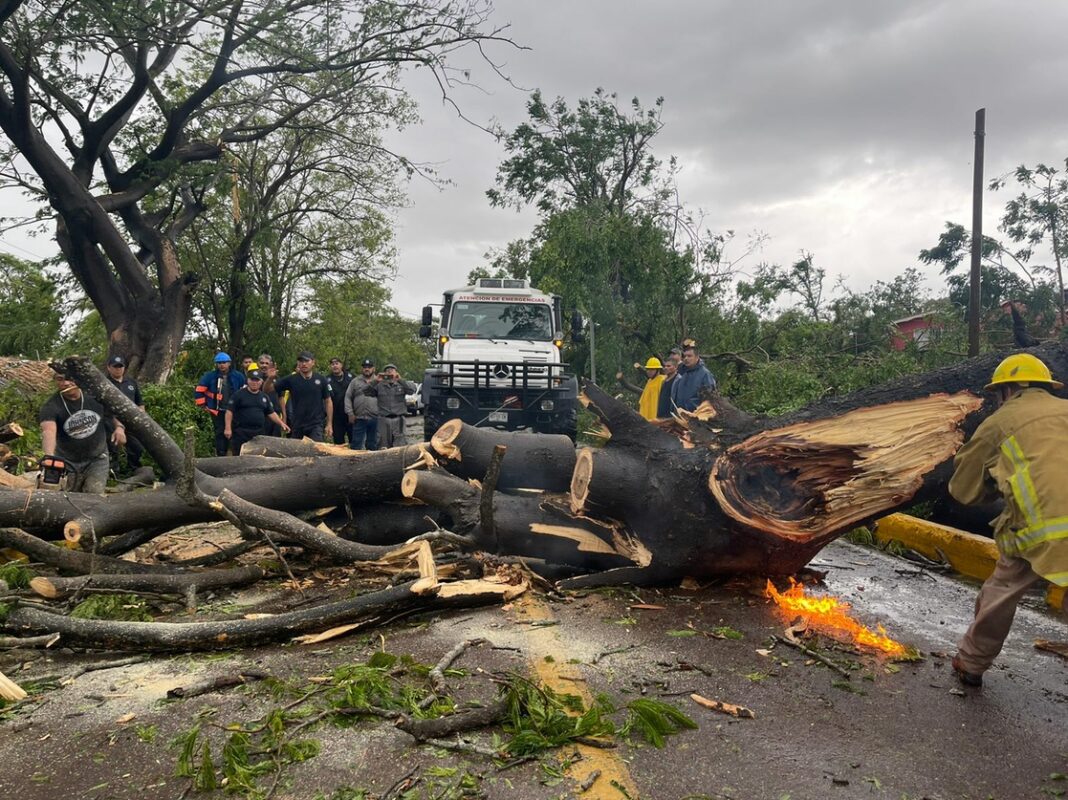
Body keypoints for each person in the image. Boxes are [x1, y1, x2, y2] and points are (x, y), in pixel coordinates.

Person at [948, 353, 1068, 688]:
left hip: (1043, 527)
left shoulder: (1001, 422)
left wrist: (993, 488)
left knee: (1002, 589)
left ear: (1008, 390)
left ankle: (971, 664)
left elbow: (963, 490)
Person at [39, 372, 123, 494]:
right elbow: (49, 431)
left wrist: (119, 428)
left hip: (97, 458)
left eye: (69, 378)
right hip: (67, 461)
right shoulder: (51, 406)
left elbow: (116, 411)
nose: (65, 383)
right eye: (60, 379)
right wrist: (50, 458)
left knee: (94, 493)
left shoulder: (95, 397)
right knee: (69, 496)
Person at [224, 369, 290, 454]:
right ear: (248, 380)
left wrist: (281, 423)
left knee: (257, 456)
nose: (254, 383)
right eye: (252, 380)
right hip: (241, 432)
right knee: (239, 457)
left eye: (257, 380)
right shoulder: (238, 395)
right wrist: (228, 428)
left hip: (258, 433)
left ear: (261, 382)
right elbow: (229, 411)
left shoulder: (264, 397)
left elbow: (271, 413)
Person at [195, 352, 246, 456]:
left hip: (234, 411)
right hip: (217, 411)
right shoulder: (209, 377)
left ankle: (236, 453)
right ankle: (221, 454)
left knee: (236, 432)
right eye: (219, 363)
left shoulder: (238, 376)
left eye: (224, 362)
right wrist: (203, 405)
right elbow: (199, 391)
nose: (222, 365)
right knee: (220, 433)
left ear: (229, 363)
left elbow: (245, 392)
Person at [274, 351, 333, 441]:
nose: (304, 364)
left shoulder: (321, 380)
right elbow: (268, 389)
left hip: (315, 425)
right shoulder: (291, 379)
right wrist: (270, 379)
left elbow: (328, 401)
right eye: (301, 361)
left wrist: (329, 424)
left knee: (315, 450)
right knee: (297, 453)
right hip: (297, 425)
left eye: (306, 361)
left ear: (313, 362)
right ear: (298, 363)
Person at [104, 355, 145, 472]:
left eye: (120, 366)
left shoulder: (131, 382)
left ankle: (133, 471)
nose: (118, 369)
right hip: (111, 421)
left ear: (124, 367)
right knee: (113, 447)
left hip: (131, 420)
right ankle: (113, 473)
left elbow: (140, 403)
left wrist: (142, 418)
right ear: (109, 368)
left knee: (137, 448)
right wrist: (118, 425)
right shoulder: (105, 384)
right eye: (115, 367)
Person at [364, 363, 417, 448]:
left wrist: (400, 380)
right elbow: (365, 392)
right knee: (383, 445)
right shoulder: (379, 385)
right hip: (384, 420)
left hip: (399, 419)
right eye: (387, 371)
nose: (390, 373)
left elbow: (412, 390)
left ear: (396, 372)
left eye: (392, 371)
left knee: (400, 445)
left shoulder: (401, 384)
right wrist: (376, 381)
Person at [344, 358, 380, 450]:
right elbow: (348, 397)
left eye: (369, 367)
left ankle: (373, 464)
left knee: (373, 444)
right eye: (364, 367)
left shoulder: (379, 381)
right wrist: (350, 413)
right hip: (359, 418)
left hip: (375, 418)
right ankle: (354, 463)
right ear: (362, 369)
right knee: (356, 444)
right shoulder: (355, 381)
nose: (367, 369)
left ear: (374, 369)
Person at [670, 343, 716, 412]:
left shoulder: (705, 374)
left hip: (696, 418)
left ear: (697, 357)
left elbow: (711, 400)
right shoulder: (683, 374)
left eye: (689, 356)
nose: (686, 358)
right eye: (684, 356)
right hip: (681, 417)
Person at [326, 357, 354, 445]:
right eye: (332, 364)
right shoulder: (326, 380)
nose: (335, 366)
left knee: (354, 442)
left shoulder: (351, 377)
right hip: (336, 416)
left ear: (341, 365)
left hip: (350, 415)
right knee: (338, 443)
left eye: (337, 363)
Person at [258, 354, 284, 436]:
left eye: (266, 363)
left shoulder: (277, 378)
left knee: (276, 441)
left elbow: (281, 397)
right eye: (262, 363)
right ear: (258, 364)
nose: (264, 365)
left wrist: (284, 415)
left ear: (271, 364)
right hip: (261, 414)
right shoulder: (254, 378)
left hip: (275, 413)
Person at [658, 350, 681, 418]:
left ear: (675, 367)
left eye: (669, 366)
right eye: (665, 366)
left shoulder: (679, 380)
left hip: (671, 416)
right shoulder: (664, 380)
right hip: (661, 415)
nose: (666, 368)